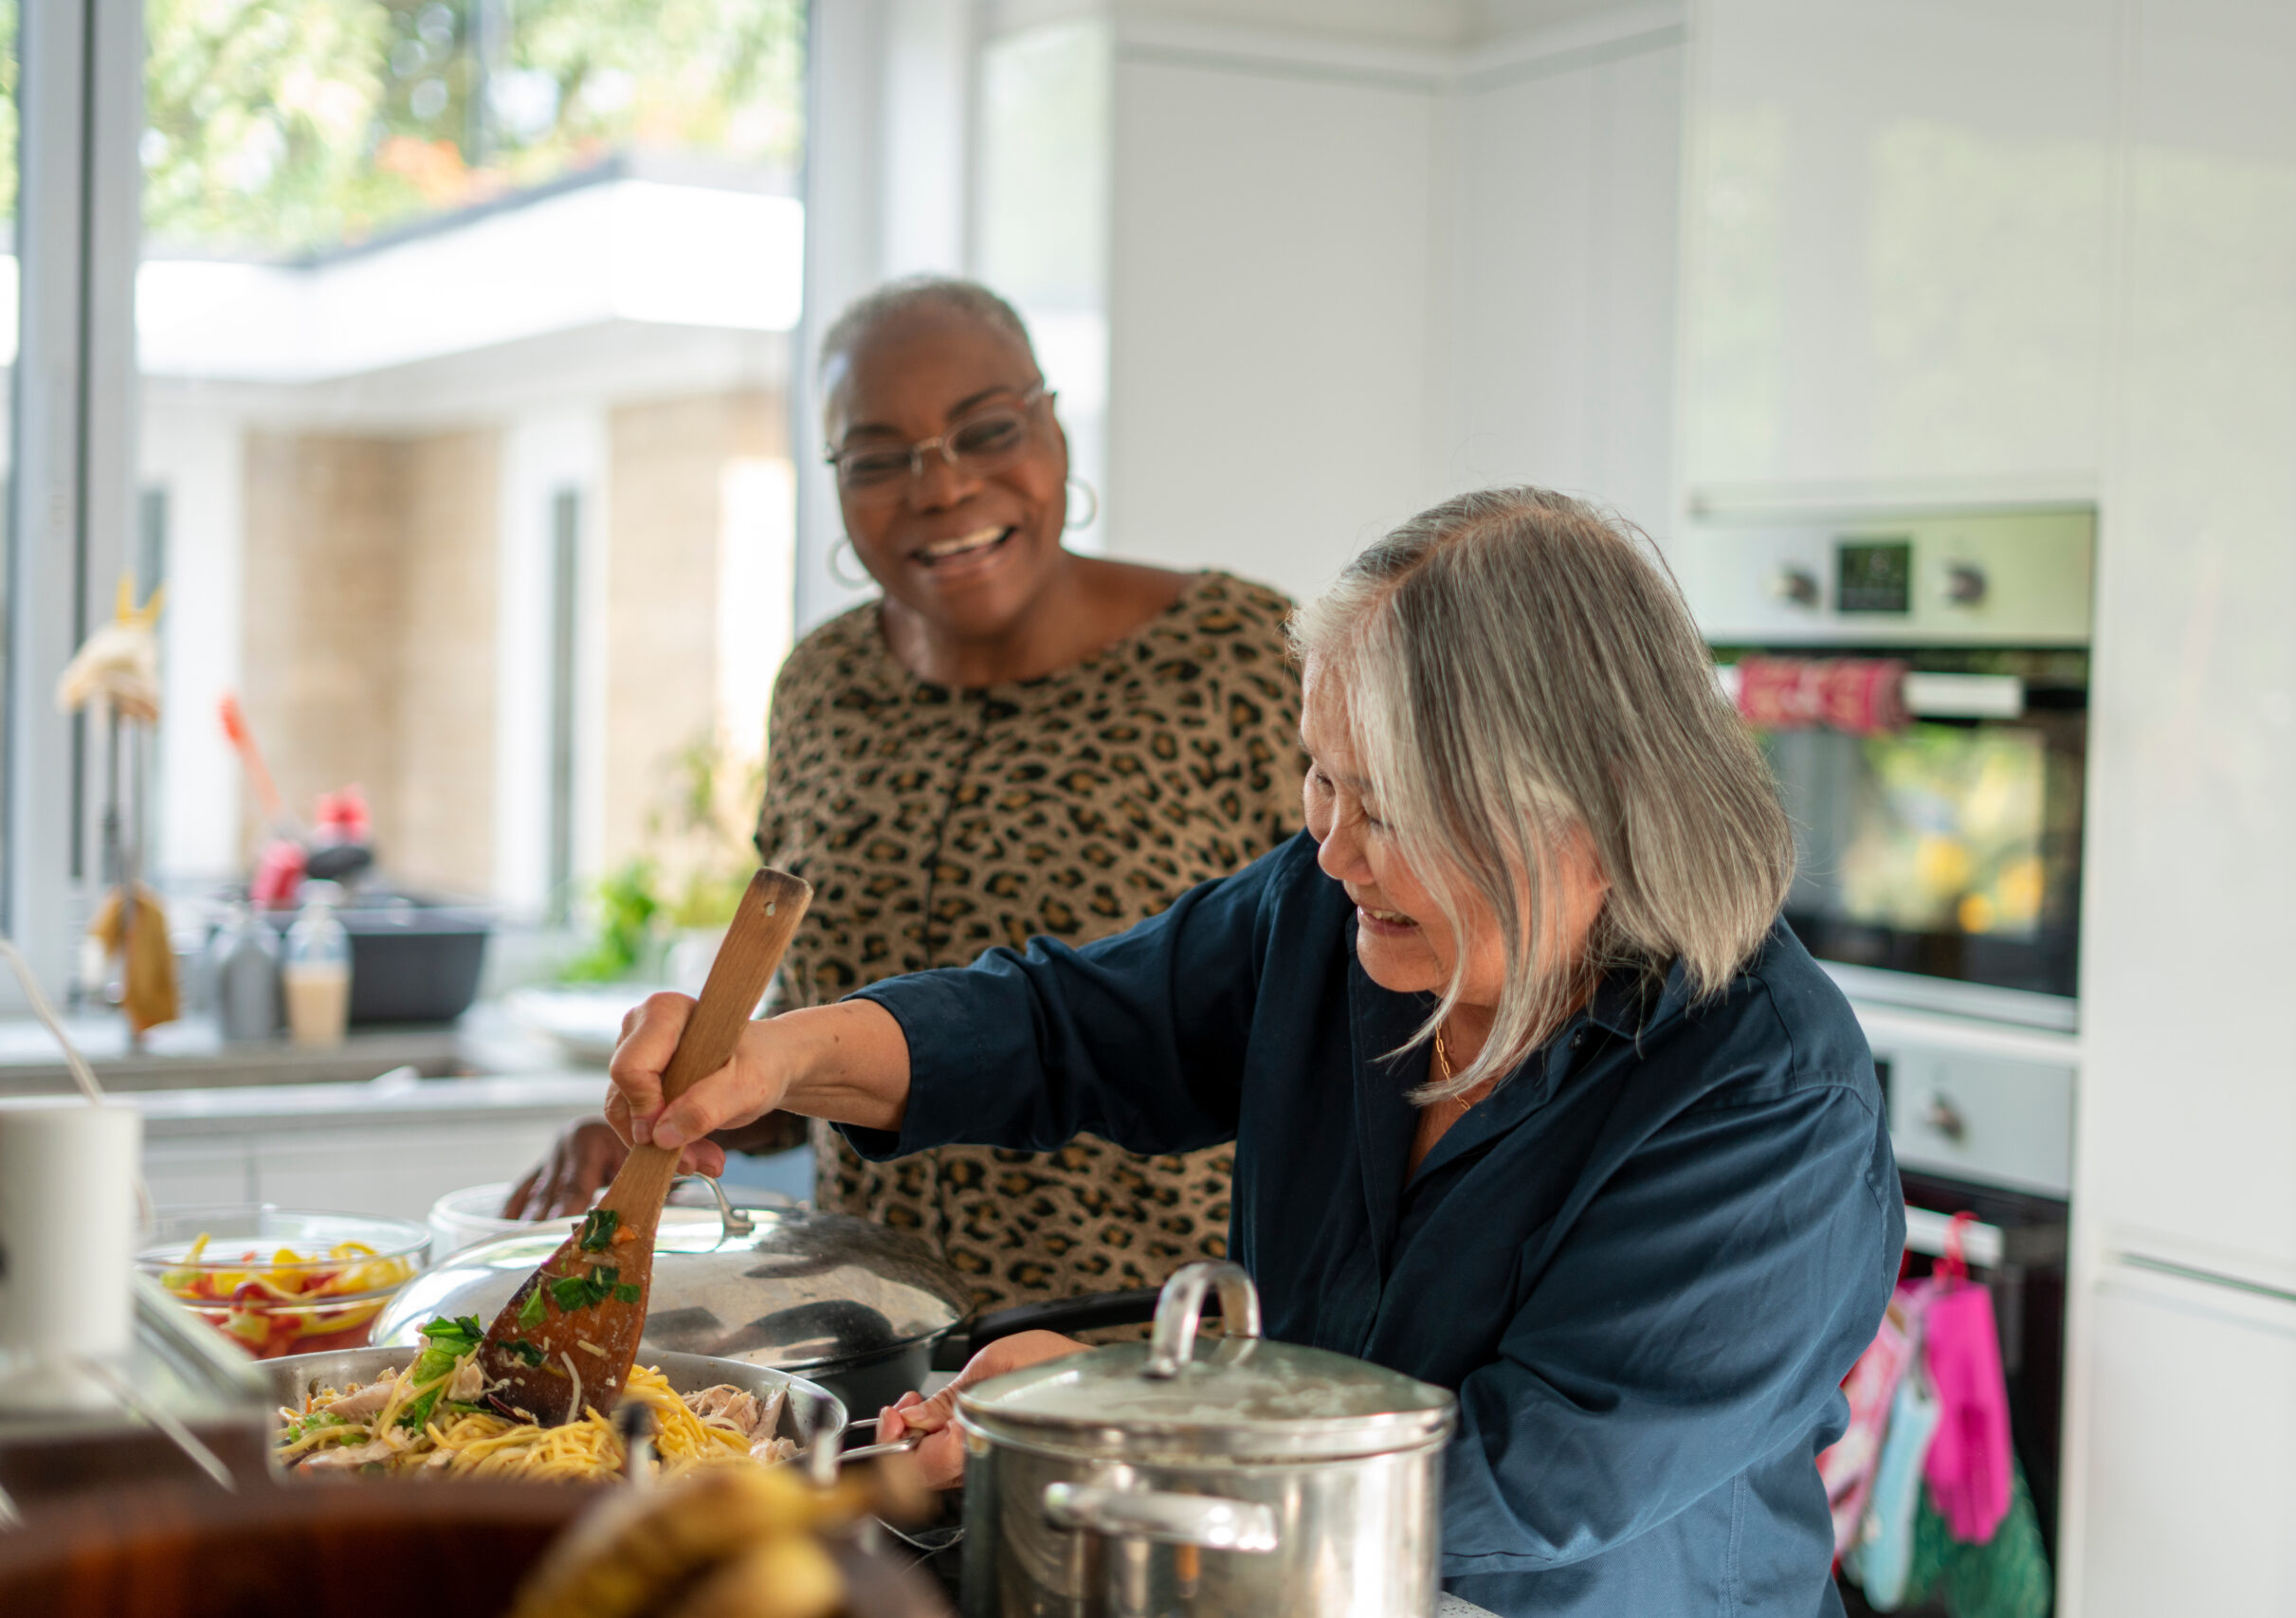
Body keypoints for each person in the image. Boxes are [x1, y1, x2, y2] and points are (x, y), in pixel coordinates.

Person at [605, 487, 1903, 1618]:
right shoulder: (1342, 917)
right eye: (1321, 780)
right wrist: (776, 1056)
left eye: (1388, 807)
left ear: (1590, 801)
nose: (1333, 847)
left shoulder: (1769, 1098)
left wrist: (1111, 1422)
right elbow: (1066, 1025)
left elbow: (1524, 1477)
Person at [507, 277, 1304, 1320]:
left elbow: (1332, 1007)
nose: (939, 489)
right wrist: (673, 1108)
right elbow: (805, 1058)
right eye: (880, 458)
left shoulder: (1248, 658)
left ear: (1053, 428)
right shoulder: (824, 685)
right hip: (871, 1337)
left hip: (1143, 1347)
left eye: (985, 432)